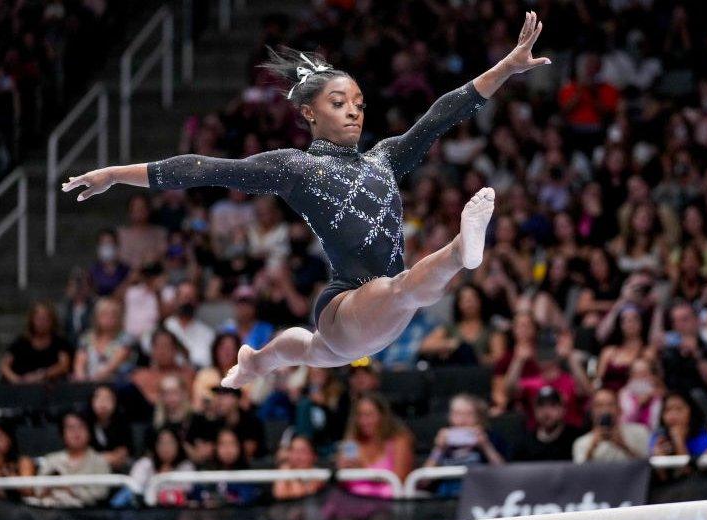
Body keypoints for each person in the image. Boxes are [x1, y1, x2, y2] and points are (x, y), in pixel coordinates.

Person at [65, 15, 552, 389]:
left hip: (374, 326)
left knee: (311, 350)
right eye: (339, 104)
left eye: (359, 103)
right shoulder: (296, 167)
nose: (354, 112)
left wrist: (507, 67)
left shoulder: (384, 159)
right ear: (308, 113)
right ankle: (458, 251)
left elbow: (442, 113)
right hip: (347, 304)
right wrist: (116, 174)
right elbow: (205, 169)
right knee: (402, 290)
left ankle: (254, 361)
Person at [423, 394, 506, 497]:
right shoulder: (443, 441)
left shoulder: (491, 438)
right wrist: (438, 450)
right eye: (457, 414)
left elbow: (504, 475)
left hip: (481, 494)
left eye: (468, 415)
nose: (462, 421)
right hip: (446, 497)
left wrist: (486, 446)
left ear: (480, 418)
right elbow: (424, 481)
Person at [337, 393, 415, 499]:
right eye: (360, 415)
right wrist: (342, 469)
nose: (364, 421)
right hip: (354, 504)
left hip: (389, 505)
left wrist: (363, 470)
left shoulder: (399, 441)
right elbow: (342, 480)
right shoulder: (351, 444)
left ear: (382, 416)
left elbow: (399, 479)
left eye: (369, 415)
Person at [27, 412, 111, 508]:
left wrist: (71, 489)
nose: (76, 432)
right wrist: (48, 487)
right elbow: (38, 490)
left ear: (89, 431)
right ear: (62, 433)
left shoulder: (100, 461)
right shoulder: (51, 459)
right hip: (48, 511)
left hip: (84, 515)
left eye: (81, 427)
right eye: (70, 428)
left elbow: (101, 494)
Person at [418, 283, 501, 366]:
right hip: (455, 373)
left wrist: (473, 357)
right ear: (458, 303)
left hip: (481, 374)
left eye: (472, 298)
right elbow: (424, 346)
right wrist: (454, 345)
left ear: (480, 300)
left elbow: (499, 358)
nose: (469, 303)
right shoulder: (450, 328)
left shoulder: (491, 329)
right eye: (464, 299)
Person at [0, 302, 72, 384]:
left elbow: (64, 365)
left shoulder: (60, 343)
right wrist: (17, 380)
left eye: (45, 319)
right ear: (32, 320)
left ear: (52, 321)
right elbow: (4, 365)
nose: (41, 323)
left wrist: (42, 375)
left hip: (51, 389)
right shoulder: (21, 342)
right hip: (22, 388)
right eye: (38, 319)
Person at [572, 389, 650, 463]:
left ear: (619, 409)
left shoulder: (640, 432)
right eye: (599, 405)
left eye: (610, 404)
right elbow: (580, 474)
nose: (605, 410)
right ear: (592, 411)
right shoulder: (581, 443)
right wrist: (592, 447)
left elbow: (647, 468)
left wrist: (624, 446)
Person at [124, 426, 195, 507]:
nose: (166, 447)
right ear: (155, 445)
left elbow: (186, 494)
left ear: (178, 445)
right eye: (162, 443)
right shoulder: (145, 464)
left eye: (170, 443)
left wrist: (163, 497)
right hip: (146, 512)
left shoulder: (186, 467)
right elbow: (134, 489)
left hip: (178, 513)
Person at [650, 391, 707, 479]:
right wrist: (659, 458)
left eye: (679, 409)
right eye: (668, 410)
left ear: (691, 412)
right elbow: (660, 480)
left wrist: (679, 442)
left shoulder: (703, 438)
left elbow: (690, 475)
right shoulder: (658, 438)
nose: (673, 415)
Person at [72, 297, 133, 383]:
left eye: (113, 315)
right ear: (96, 318)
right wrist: (82, 379)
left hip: (114, 382)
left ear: (119, 318)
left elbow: (113, 366)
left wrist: (92, 381)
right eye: (104, 314)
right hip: (87, 382)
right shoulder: (86, 338)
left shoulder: (126, 338)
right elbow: (79, 364)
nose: (109, 318)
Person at [514, 386, 582, 461]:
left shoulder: (575, 438)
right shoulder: (526, 442)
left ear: (562, 409)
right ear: (534, 410)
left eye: (552, 405)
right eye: (541, 405)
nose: (546, 412)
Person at [164, 281, 215, 368]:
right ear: (175, 299)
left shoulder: (207, 333)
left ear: (197, 302)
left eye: (191, 298)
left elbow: (205, 362)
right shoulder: (164, 327)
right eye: (184, 297)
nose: (187, 302)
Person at [87, 385, 133, 470]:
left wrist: (99, 458)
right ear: (91, 401)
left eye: (107, 399)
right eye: (99, 398)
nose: (103, 403)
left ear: (115, 402)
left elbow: (121, 455)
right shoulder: (85, 422)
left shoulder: (122, 422)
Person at [272, 436, 326, 501]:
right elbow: (279, 493)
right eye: (293, 450)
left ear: (313, 455)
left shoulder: (319, 474)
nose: (297, 456)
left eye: (302, 451)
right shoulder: (285, 469)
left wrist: (292, 477)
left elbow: (299, 494)